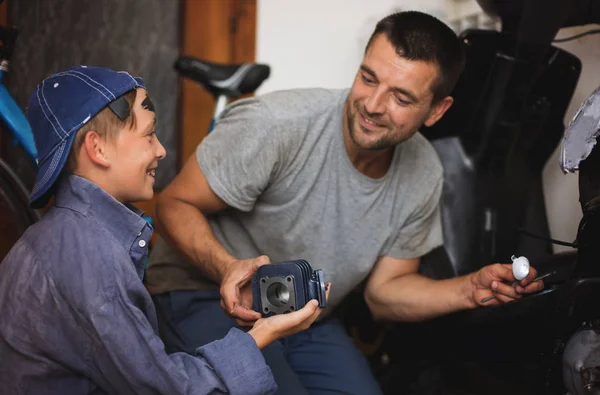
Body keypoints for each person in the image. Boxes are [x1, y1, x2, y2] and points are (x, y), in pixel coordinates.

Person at [145, 11, 545, 395]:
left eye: (401, 98)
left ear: (436, 111)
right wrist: (229, 269)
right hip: (199, 290)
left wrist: (467, 290)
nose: (372, 105)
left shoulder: (424, 171)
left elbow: (385, 293)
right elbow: (173, 204)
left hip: (308, 312)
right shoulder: (276, 125)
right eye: (368, 78)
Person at [0, 65, 328, 395]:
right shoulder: (91, 261)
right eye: (148, 135)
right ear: (97, 148)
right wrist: (258, 337)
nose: (161, 150)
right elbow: (166, 389)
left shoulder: (61, 237)